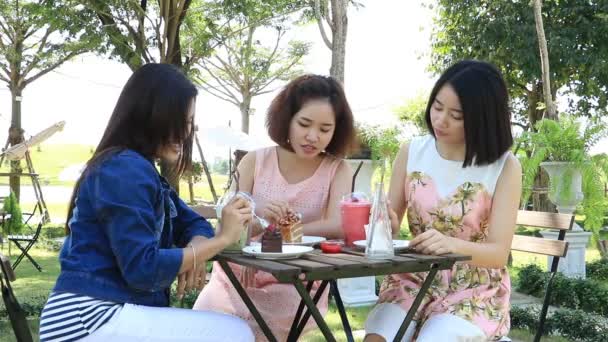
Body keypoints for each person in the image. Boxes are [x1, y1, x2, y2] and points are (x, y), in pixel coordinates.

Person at [39, 63, 255, 342]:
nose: (186, 132)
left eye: (189, 123)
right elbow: (143, 269)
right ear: (150, 115)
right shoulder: (124, 169)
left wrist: (197, 247)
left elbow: (192, 222)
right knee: (234, 333)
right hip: (88, 319)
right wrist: (221, 240)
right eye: (180, 121)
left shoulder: (140, 169)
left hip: (103, 314)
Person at [364, 60, 522, 341]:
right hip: (412, 278)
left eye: (456, 115)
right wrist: (382, 221)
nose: (440, 120)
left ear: (483, 117)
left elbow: (498, 252)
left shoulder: (505, 167)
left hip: (473, 288)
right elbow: (390, 223)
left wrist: (451, 246)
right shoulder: (411, 151)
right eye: (437, 107)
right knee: (378, 338)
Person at [193, 74, 357, 341]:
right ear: (287, 119)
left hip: (295, 278)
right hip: (237, 275)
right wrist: (258, 217)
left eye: (325, 129)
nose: (313, 136)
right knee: (208, 328)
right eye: (304, 124)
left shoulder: (337, 169)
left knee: (260, 329)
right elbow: (228, 225)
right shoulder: (254, 161)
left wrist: (285, 228)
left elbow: (337, 225)